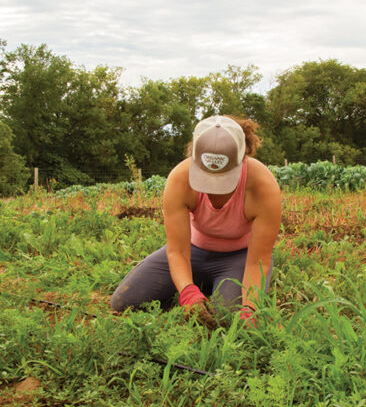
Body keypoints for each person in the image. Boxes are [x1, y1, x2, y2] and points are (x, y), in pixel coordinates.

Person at [111, 115, 282, 325]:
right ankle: (198, 285)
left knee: (229, 317)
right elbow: (177, 251)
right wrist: (187, 291)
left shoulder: (262, 186)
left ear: (242, 157)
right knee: (125, 301)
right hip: (193, 253)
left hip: (239, 258)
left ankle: (216, 285)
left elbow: (258, 261)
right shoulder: (179, 179)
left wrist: (250, 308)